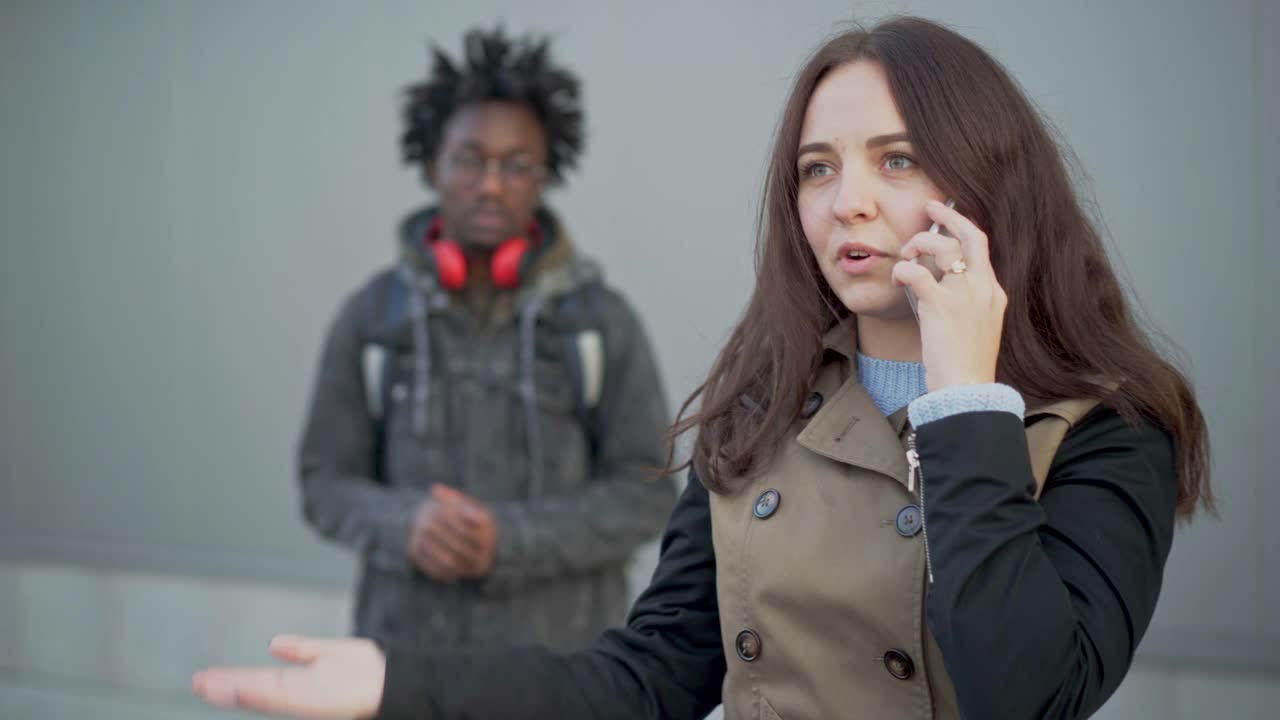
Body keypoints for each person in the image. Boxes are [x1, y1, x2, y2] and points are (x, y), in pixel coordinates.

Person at [193, 16, 1212, 720]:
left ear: (988, 181)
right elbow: (646, 682)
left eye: (894, 159)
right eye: (816, 168)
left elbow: (1028, 694)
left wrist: (963, 399)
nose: (843, 200)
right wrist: (398, 684)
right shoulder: (760, 407)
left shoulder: (1104, 429)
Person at [292, 26, 677, 657]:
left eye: (517, 165)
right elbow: (324, 481)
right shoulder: (370, 320)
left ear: (544, 177)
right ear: (431, 165)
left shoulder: (600, 323)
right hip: (406, 665)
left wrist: (507, 539)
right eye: (470, 159)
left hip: (564, 673)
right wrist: (405, 526)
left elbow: (648, 494)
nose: (491, 184)